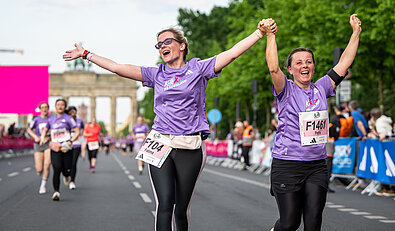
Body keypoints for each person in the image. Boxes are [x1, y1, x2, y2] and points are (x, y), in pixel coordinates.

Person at [63, 20, 272, 231]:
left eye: (167, 41)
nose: (162, 46)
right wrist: (86, 54)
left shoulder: (198, 68)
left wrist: (259, 33)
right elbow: (118, 68)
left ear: (182, 45)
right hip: (159, 141)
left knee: (181, 209)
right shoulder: (157, 74)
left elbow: (233, 53)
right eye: (159, 44)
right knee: (164, 204)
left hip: (189, 144)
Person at [260, 14, 361, 231]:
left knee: (314, 222)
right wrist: (270, 36)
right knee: (289, 223)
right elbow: (273, 69)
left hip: (316, 165)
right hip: (287, 164)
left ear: (313, 66)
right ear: (291, 69)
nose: (304, 66)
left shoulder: (322, 87)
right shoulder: (285, 89)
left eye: (308, 62)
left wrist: (356, 33)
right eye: (298, 63)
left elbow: (344, 62)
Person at [41, 99, 79, 201]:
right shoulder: (51, 119)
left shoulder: (68, 118)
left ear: (64, 107)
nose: (60, 106)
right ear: (55, 107)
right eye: (58, 105)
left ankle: (66, 175)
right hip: (55, 147)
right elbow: (45, 130)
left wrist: (71, 140)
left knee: (67, 169)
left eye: (62, 105)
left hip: (66, 147)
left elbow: (76, 131)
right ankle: (56, 192)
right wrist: (42, 138)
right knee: (56, 168)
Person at [27, 102, 51, 194]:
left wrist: (49, 137)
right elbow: (29, 129)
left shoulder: (51, 119)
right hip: (38, 144)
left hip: (48, 143)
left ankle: (43, 185)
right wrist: (35, 137)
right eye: (42, 107)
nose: (44, 109)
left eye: (46, 107)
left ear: (48, 109)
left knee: (47, 164)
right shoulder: (36, 119)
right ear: (40, 109)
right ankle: (40, 171)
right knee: (39, 169)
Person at [327, 105, 347, 193]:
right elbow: (336, 136)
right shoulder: (331, 125)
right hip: (329, 148)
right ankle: (326, 185)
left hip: (318, 149)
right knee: (328, 167)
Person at [66, 106, 85, 190]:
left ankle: (72, 181)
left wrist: (81, 135)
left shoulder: (79, 121)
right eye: (71, 111)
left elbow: (83, 129)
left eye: (74, 111)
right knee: (66, 163)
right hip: (66, 144)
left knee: (73, 163)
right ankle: (66, 175)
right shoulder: (65, 120)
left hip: (77, 144)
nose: (72, 112)